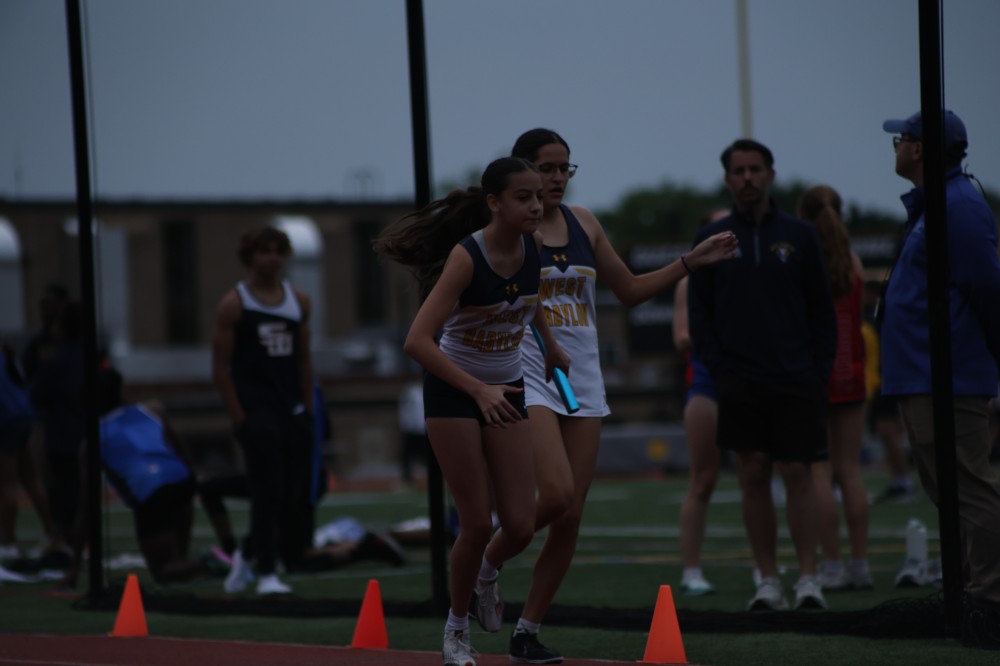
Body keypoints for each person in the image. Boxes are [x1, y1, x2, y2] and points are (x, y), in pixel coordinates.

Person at [464, 129, 737, 663]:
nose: (557, 178)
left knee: (570, 517)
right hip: (530, 372)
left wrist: (691, 260)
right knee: (556, 494)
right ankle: (485, 568)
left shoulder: (585, 222)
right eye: (546, 168)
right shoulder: (513, 232)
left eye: (565, 168)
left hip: (582, 378)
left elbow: (629, 291)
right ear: (524, 172)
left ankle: (526, 633)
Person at [375, 156, 569, 666]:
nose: (536, 205)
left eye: (538, 196)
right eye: (524, 197)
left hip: (506, 387)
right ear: (494, 203)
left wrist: (550, 345)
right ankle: (456, 630)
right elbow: (417, 341)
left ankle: (486, 576)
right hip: (454, 390)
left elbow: (531, 299)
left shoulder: (533, 245)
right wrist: (478, 390)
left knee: (521, 525)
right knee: (477, 522)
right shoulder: (467, 257)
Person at [688, 138, 837, 611]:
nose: (748, 178)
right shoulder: (713, 239)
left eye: (755, 169)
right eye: (739, 171)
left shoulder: (800, 235)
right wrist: (720, 370)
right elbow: (699, 314)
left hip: (796, 376)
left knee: (798, 472)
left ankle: (809, 578)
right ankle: (768, 580)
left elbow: (822, 310)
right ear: (727, 179)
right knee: (752, 474)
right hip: (738, 379)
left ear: (771, 175)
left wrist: (818, 372)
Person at [880, 109, 1000, 648]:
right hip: (925, 373)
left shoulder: (958, 205)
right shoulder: (941, 203)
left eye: (901, 139)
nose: (896, 146)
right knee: (950, 490)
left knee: (969, 488)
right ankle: (976, 591)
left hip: (947, 374)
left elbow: (986, 287)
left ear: (921, 148)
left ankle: (990, 600)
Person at [211, 226, 315, 596]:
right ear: (250, 257)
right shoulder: (234, 303)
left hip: (292, 409)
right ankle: (268, 572)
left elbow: (303, 359)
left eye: (276, 251)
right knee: (267, 491)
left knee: (292, 494)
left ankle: (245, 553)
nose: (271, 258)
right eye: (263, 251)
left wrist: (307, 407)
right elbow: (220, 367)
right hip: (256, 408)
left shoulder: (299, 300)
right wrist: (239, 417)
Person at [65, 366, 225, 587]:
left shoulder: (92, 441)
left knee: (162, 573)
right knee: (178, 505)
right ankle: (189, 562)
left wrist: (73, 568)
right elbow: (180, 450)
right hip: (182, 480)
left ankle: (210, 562)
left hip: (151, 491)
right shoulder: (152, 410)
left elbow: (88, 506)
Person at [797, 185, 872, 591]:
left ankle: (831, 565)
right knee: (851, 471)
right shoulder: (853, 261)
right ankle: (860, 564)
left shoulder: (805, 259)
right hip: (852, 372)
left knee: (819, 472)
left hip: (816, 373)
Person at [673, 208, 729, 597]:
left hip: (749, 382)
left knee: (760, 474)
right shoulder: (690, 282)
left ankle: (767, 572)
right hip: (707, 383)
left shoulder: (750, 274)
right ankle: (691, 570)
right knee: (703, 480)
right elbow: (681, 337)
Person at [26, 299, 85, 546]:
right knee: (81, 488)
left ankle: (66, 537)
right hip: (84, 431)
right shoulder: (88, 355)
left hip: (61, 432)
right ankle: (80, 537)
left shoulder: (56, 359)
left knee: (61, 488)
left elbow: (37, 394)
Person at [0, 338, 62, 561]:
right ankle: (51, 533)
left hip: (6, 419)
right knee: (30, 477)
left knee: (7, 482)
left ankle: (8, 543)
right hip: (22, 415)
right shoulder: (6, 353)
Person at [861, 281, 915, 503]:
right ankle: (900, 480)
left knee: (888, 431)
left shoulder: (879, 317)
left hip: (883, 381)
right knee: (886, 432)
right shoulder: (874, 317)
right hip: (881, 380)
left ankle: (903, 481)